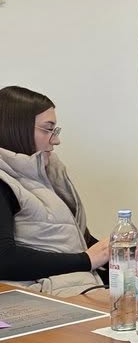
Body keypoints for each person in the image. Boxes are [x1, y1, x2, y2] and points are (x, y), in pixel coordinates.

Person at [0, 85, 109, 286]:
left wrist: (116, 252)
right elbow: (4, 259)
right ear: (16, 129)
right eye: (48, 129)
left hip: (74, 286)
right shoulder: (3, 182)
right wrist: (86, 260)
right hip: (40, 297)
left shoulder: (49, 174)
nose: (56, 140)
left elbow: (75, 240)